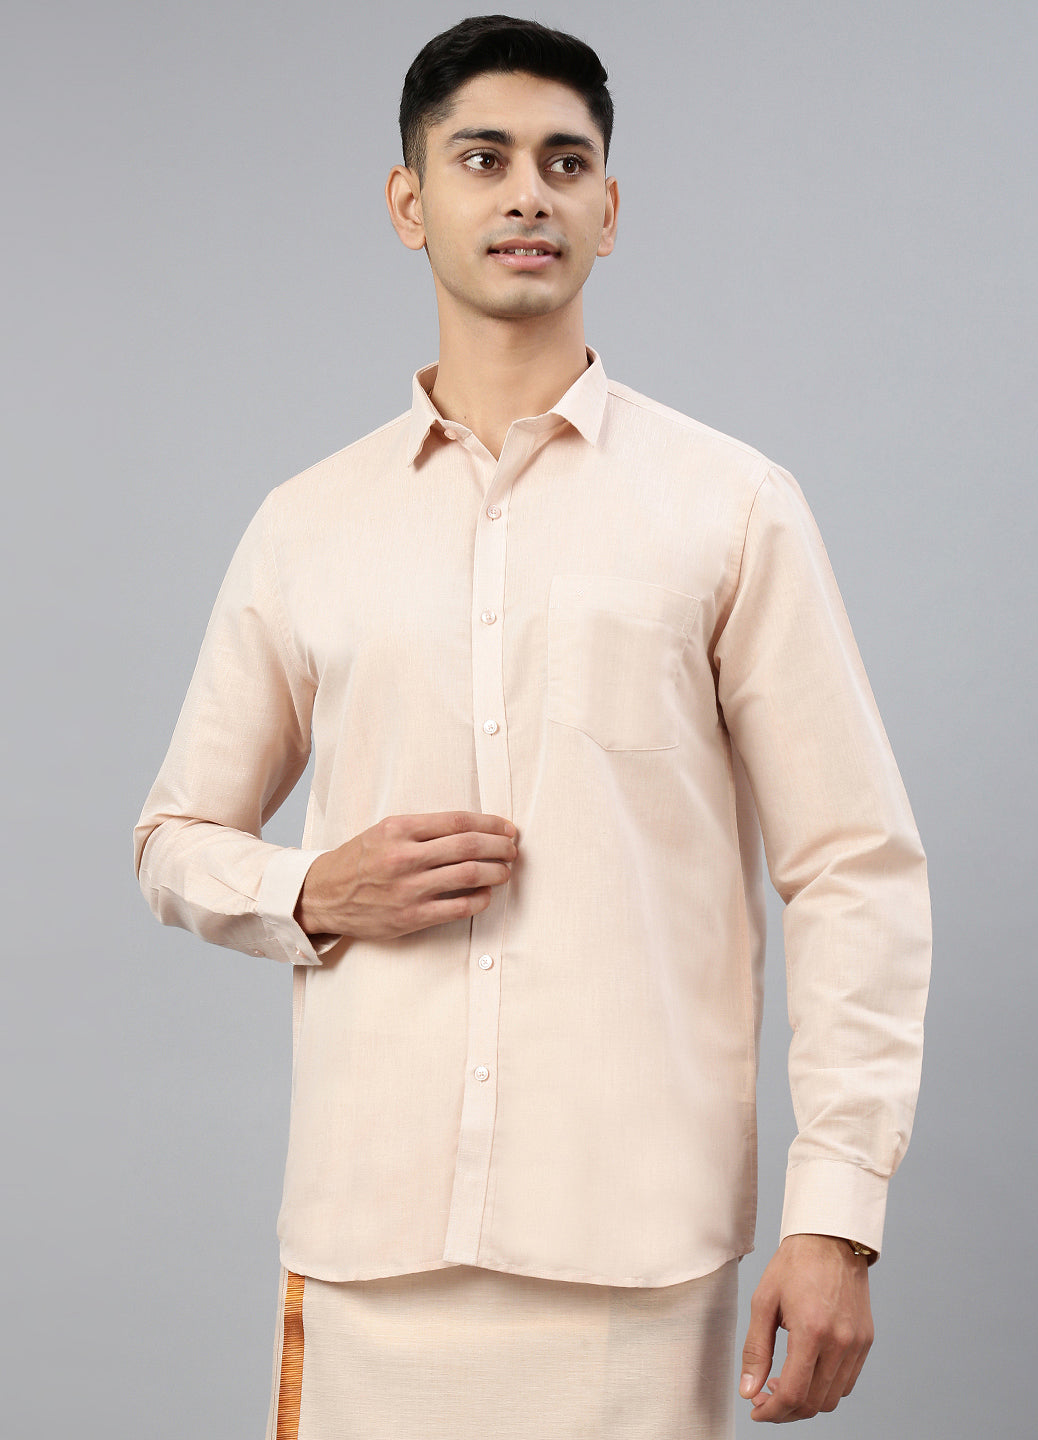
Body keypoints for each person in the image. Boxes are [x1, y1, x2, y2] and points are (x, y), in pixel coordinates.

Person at [134, 14, 931, 1439]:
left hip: (636, 1249)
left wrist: (838, 1215)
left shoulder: (731, 507)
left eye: (566, 163)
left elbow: (852, 867)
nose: (527, 195)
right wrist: (310, 888)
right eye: (482, 158)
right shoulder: (308, 525)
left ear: (609, 211)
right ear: (409, 202)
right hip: (368, 1238)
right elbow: (172, 837)